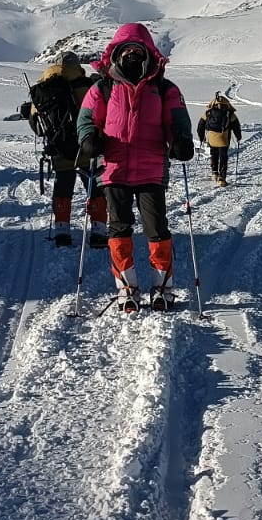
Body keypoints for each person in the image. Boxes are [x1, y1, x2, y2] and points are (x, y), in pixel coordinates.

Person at [75, 23, 194, 312]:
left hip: (151, 169)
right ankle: (126, 287)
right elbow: (86, 120)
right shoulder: (102, 87)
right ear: (115, 53)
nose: (131, 54)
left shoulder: (164, 88)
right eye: (125, 49)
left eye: (137, 50)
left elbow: (178, 121)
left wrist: (181, 140)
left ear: (148, 53)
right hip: (113, 169)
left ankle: (162, 288)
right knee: (118, 228)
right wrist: (88, 139)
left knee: (157, 229)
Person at [20, 51, 107, 249]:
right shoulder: (88, 86)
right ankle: (99, 231)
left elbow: (37, 125)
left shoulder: (43, 88)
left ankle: (62, 231)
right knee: (94, 187)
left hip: (59, 147)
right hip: (87, 146)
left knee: (63, 189)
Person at [196, 93, 242, 186]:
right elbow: (236, 127)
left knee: (214, 154)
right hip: (223, 139)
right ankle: (222, 178)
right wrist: (238, 137)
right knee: (223, 157)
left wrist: (201, 138)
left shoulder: (208, 113)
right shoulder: (230, 114)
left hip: (211, 138)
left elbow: (200, 126)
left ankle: (214, 172)